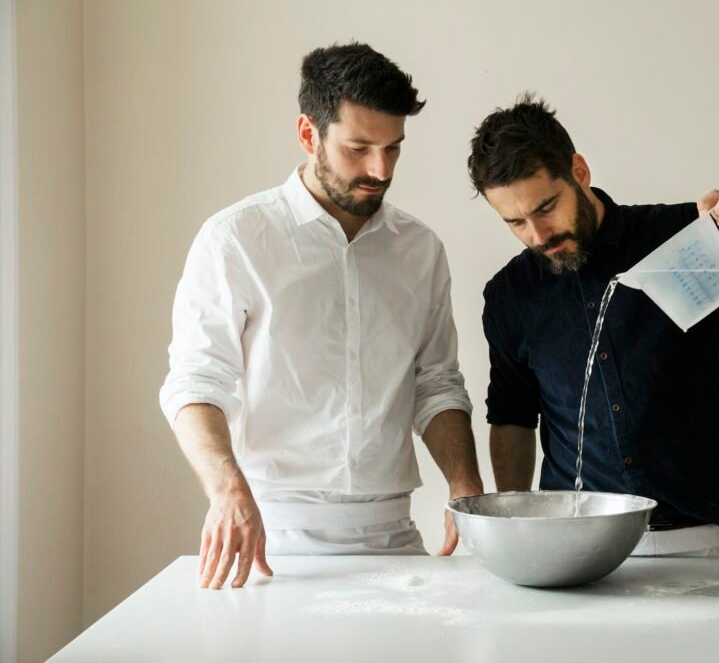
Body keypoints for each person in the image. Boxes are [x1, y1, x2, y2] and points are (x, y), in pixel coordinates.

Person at [468, 95, 719, 557]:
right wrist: (516, 530)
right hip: (572, 547)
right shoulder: (511, 294)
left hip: (701, 544)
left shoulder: (682, 239)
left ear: (580, 172)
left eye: (546, 207)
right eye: (515, 222)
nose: (538, 234)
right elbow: (512, 415)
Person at [159, 42, 483, 589]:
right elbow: (195, 384)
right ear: (309, 134)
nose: (380, 169)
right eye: (358, 148)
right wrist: (227, 491)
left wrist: (464, 486)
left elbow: (437, 384)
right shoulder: (235, 239)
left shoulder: (420, 249)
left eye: (393, 149)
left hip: (394, 536)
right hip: (269, 538)